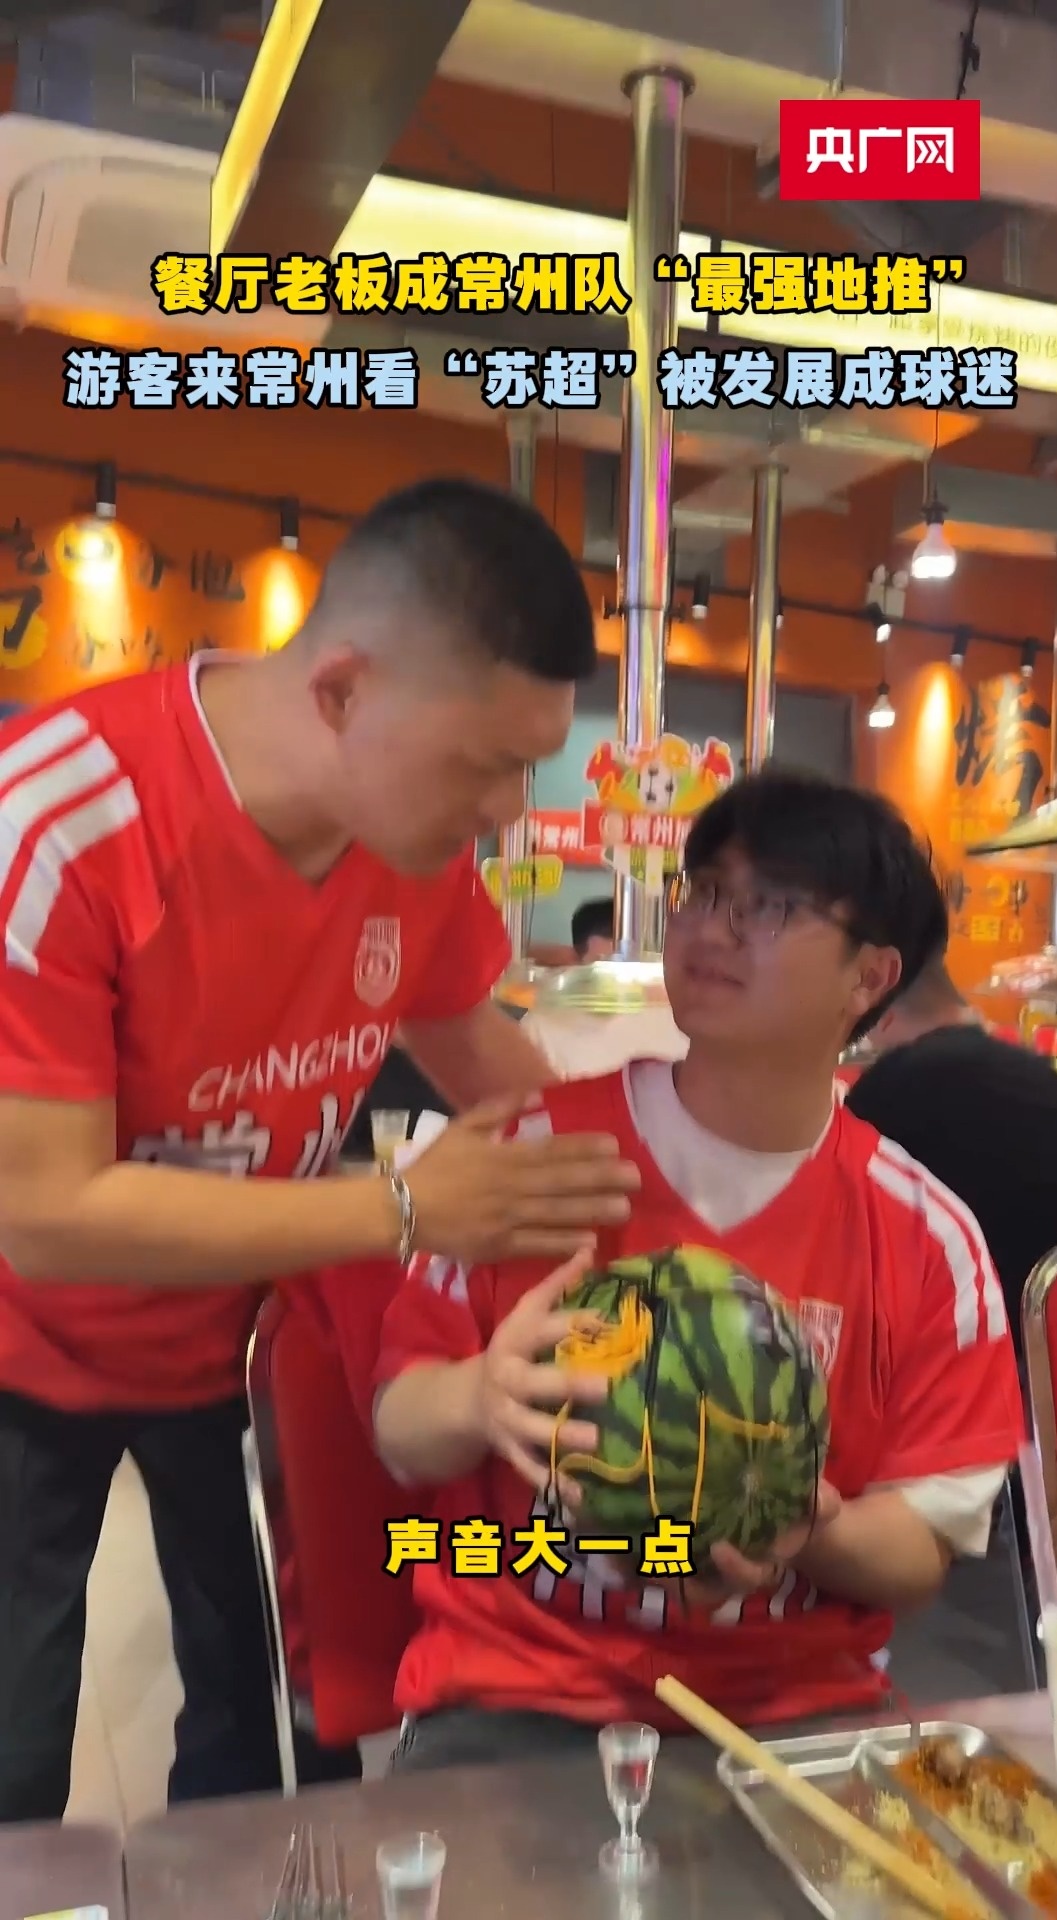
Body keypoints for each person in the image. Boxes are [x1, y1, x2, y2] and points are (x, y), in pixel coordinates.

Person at [0, 477, 642, 1822]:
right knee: (13, 1753)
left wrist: (693, 1198)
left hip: (240, 1354)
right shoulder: (62, 823)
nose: (507, 811)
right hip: (21, 1355)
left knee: (277, 1741)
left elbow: (506, 1085)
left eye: (528, 767)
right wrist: (403, 1210)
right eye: (483, 766)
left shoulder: (411, 849)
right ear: (342, 690)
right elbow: (41, 1213)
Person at [345, 769, 1023, 1766]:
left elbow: (922, 1546)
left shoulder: (927, 1236)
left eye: (769, 905)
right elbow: (398, 1425)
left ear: (870, 978)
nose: (712, 928)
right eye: (703, 891)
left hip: (793, 1712)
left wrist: (807, 1531)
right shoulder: (530, 1156)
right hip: (521, 1696)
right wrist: (483, 1396)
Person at [844, 951, 1057, 1350]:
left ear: (881, 1016)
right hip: (1053, 1351)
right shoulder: (1044, 1080)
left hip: (953, 1349)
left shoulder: (888, 1091)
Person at [522, 894, 688, 1077]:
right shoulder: (542, 1027)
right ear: (577, 963)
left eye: (628, 964)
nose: (618, 978)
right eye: (603, 964)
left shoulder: (681, 1020)